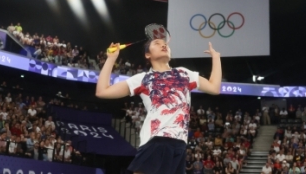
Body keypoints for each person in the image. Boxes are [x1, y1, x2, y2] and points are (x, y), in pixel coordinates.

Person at [95, 34, 222, 174]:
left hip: (180, 145)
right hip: (156, 140)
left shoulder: (185, 74)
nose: (164, 45)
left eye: (165, 44)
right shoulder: (143, 79)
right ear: (147, 55)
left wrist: (216, 58)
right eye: (157, 43)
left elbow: (214, 88)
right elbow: (102, 91)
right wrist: (111, 59)